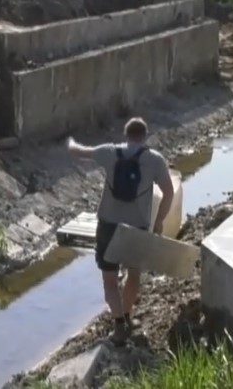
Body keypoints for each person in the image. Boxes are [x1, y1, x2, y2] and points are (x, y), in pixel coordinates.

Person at [67, 118, 174, 345]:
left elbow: (78, 152)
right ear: (145, 136)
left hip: (108, 226)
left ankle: (118, 326)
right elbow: (169, 193)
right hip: (137, 227)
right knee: (133, 274)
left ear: (125, 134)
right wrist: (159, 222)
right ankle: (127, 315)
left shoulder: (109, 152)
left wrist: (69, 142)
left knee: (109, 280)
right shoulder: (155, 159)